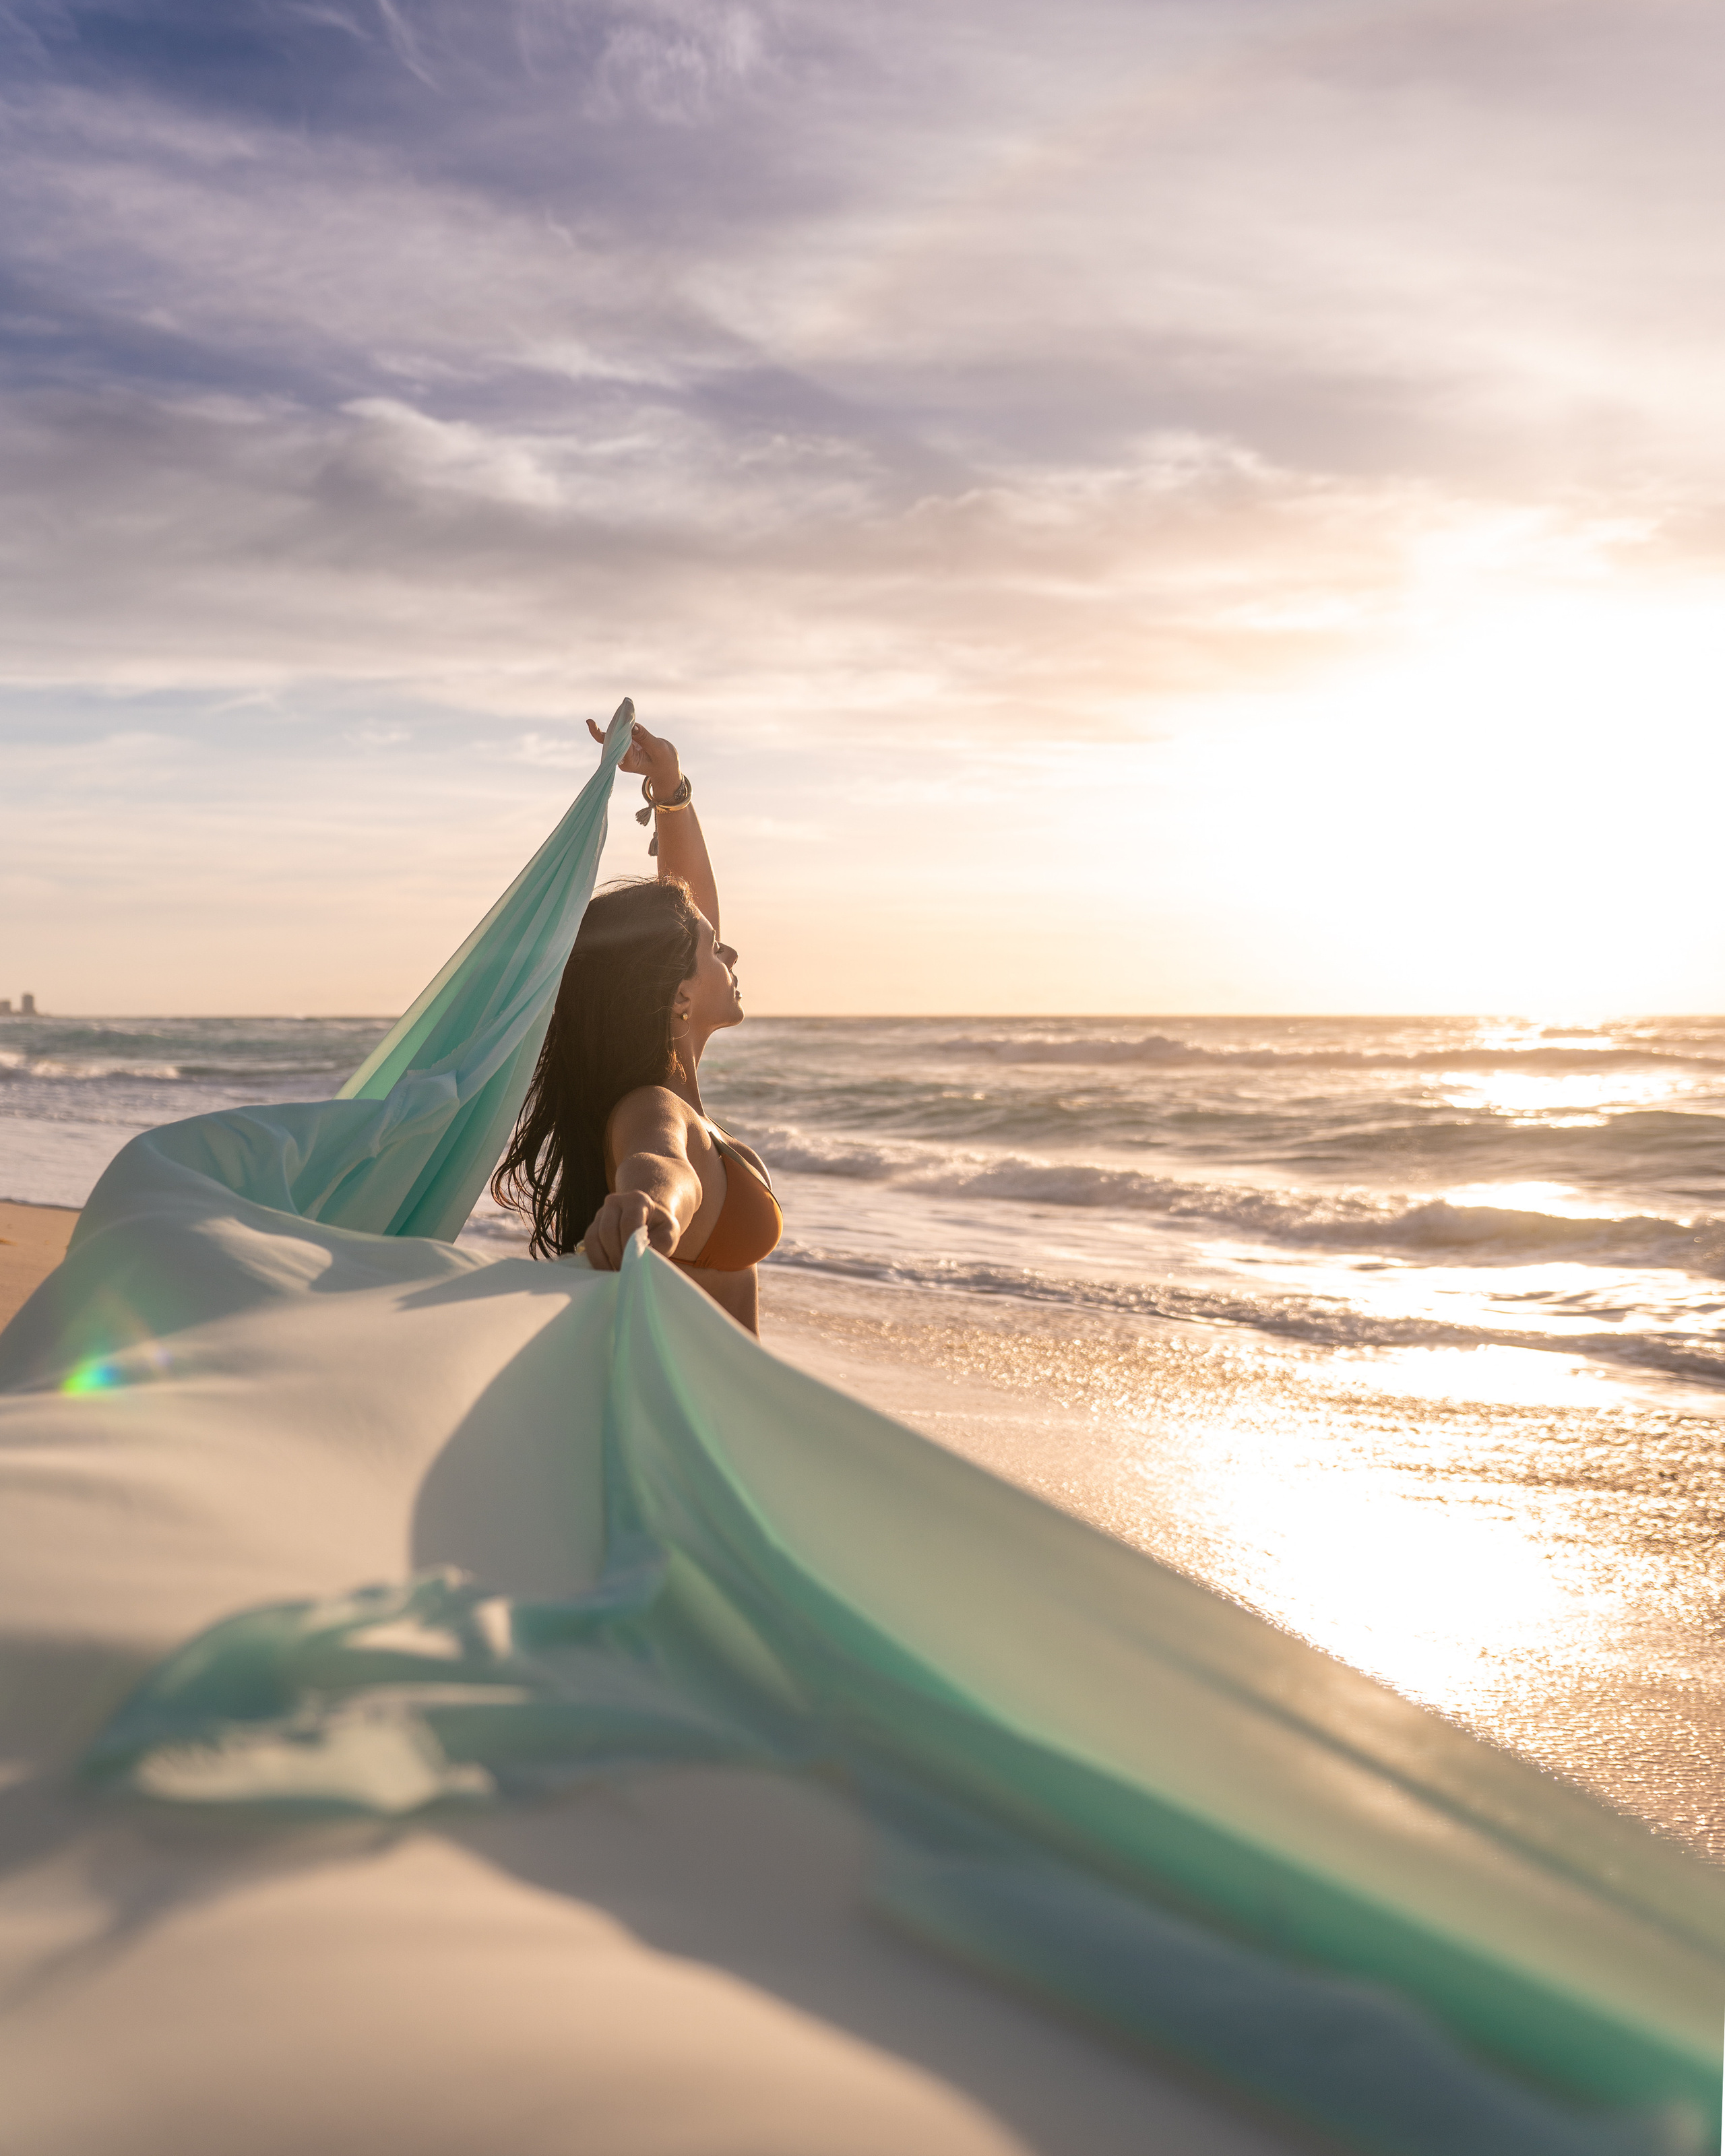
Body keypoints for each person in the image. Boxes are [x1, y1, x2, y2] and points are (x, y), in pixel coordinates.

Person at [491, 716, 781, 1334]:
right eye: (714, 951)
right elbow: (660, 1162)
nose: (730, 955)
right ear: (679, 999)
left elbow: (686, 916)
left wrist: (671, 793)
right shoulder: (655, 1106)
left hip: (712, 1411)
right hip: (697, 1417)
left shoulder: (671, 1090)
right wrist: (649, 1204)